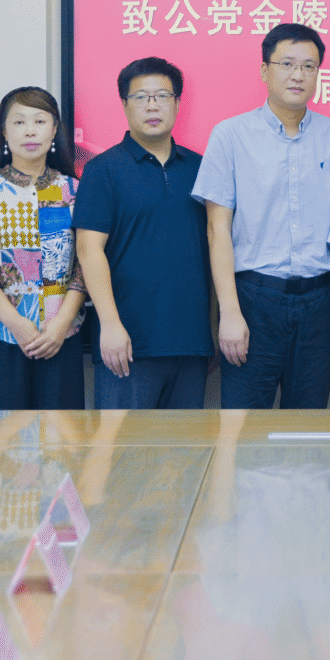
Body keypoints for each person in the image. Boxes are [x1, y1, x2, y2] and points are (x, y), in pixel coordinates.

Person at [194, 22, 330, 408]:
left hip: (319, 301)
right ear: (265, 70)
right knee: (244, 424)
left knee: (307, 425)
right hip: (253, 299)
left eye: (309, 66)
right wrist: (229, 313)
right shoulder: (230, 135)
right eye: (287, 64)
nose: (298, 75)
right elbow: (217, 230)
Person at [75, 58, 213, 408]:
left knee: (187, 443)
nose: (152, 106)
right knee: (124, 443)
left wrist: (212, 331)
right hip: (126, 344)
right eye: (140, 97)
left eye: (163, 96)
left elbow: (215, 249)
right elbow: (89, 251)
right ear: (124, 104)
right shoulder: (102, 170)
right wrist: (110, 325)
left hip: (191, 342)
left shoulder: (201, 168)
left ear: (178, 103)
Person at [0, 87, 89, 409]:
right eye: (19, 122)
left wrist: (61, 323)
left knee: (62, 435)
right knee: (3, 436)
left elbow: (86, 265)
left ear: (54, 130)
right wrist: (16, 323)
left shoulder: (75, 191)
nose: (30, 131)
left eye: (40, 121)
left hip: (62, 334)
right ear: (4, 132)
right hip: (1, 333)